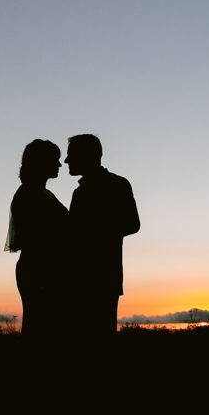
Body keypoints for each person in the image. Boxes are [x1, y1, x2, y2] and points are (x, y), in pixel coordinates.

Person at [65, 134, 140, 339]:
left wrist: (92, 231)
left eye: (71, 155)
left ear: (86, 156)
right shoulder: (79, 193)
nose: (66, 161)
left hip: (103, 277)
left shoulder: (118, 184)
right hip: (81, 278)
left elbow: (133, 224)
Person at [5, 139, 69, 340]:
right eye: (54, 160)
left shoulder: (44, 193)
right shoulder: (28, 194)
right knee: (41, 328)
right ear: (41, 162)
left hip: (47, 267)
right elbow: (38, 236)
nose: (59, 165)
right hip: (39, 269)